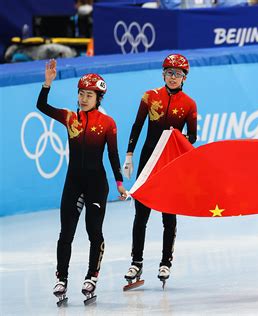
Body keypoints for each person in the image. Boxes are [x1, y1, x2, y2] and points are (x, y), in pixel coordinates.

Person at [37, 59, 126, 304]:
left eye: (89, 95)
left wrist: (119, 183)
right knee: (66, 232)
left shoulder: (108, 124)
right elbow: (41, 105)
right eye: (81, 94)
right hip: (73, 183)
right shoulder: (68, 117)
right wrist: (48, 83)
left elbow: (113, 155)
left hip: (97, 185)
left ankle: (91, 276)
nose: (84, 98)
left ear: (99, 98)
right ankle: (61, 279)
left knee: (93, 232)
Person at [122, 53, 197, 286]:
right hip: (147, 161)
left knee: (168, 214)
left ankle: (166, 261)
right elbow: (137, 125)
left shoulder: (189, 104)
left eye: (178, 74)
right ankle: (136, 262)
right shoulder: (150, 96)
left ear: (185, 78)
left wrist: (179, 137)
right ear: (163, 74)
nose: (173, 77)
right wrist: (129, 154)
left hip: (170, 164)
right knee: (141, 214)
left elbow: (192, 137)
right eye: (169, 73)